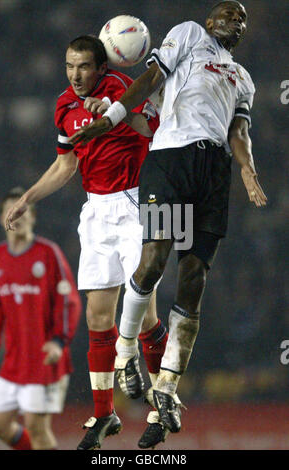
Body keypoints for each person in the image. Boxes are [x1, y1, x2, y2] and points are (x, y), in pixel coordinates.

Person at [67, 1, 268, 448]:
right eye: (228, 12)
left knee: (193, 281)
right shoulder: (190, 33)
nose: (235, 19)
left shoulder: (244, 79)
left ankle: (168, 393)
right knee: (154, 258)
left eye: (243, 18)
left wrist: (248, 171)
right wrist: (110, 119)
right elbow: (153, 78)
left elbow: (239, 132)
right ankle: (124, 351)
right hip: (171, 159)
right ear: (211, 17)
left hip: (214, 174)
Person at [4, 36, 169, 450]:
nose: (75, 75)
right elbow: (66, 164)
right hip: (95, 211)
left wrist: (116, 115)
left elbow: (155, 130)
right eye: (68, 66)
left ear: (101, 68)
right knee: (98, 319)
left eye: (83, 67)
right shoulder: (64, 105)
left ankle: (164, 402)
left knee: (143, 313)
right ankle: (104, 414)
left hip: (138, 202)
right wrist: (28, 198)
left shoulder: (125, 90)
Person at [0, 187, 81, 450]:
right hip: (13, 362)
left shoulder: (48, 253)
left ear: (33, 217)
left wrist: (58, 341)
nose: (16, 216)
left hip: (44, 359)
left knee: (37, 428)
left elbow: (69, 301)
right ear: (1, 219)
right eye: (11, 211)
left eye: (22, 211)